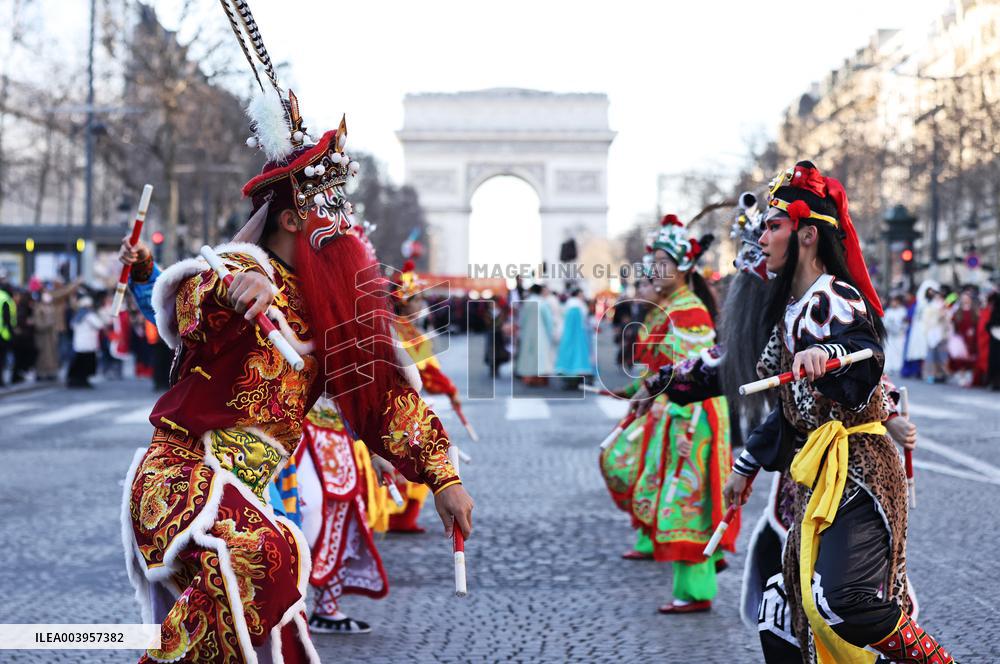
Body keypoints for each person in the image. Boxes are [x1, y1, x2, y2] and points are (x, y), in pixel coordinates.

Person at [120, 39, 473, 661]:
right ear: (289, 219)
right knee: (271, 558)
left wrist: (442, 475)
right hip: (184, 475)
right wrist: (230, 293)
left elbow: (384, 401)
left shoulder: (335, 309)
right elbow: (189, 301)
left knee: (274, 630)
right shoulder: (238, 267)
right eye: (329, 205)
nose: (347, 222)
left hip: (252, 491)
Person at [722, 161, 953, 663]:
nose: (763, 237)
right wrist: (745, 467)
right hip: (820, 473)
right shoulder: (791, 310)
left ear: (806, 236)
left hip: (860, 469)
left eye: (773, 225)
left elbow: (866, 359)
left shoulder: (837, 297)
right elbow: (787, 409)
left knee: (842, 600)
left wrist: (827, 358)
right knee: (782, 608)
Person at [620, 214, 733, 615]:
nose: (655, 268)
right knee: (680, 498)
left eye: (664, 260)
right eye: (654, 260)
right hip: (676, 414)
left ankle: (697, 590)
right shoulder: (672, 307)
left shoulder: (689, 312)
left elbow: (699, 375)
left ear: (684, 266)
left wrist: (686, 426)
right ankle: (694, 583)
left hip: (695, 418)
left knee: (690, 502)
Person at [514, 284, 556, 386]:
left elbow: (521, 319)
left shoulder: (527, 303)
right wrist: (551, 334)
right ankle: (541, 379)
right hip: (541, 334)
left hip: (528, 334)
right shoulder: (543, 303)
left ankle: (530, 378)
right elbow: (549, 321)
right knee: (542, 357)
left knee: (529, 356)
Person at [554, 288, 595, 389]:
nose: (582, 295)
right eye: (581, 293)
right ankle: (575, 380)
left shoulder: (570, 305)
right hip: (578, 336)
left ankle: (571, 380)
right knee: (578, 357)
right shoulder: (577, 306)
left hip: (570, 336)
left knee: (570, 357)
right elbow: (580, 323)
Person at [67, 295, 107, 388]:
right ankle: (83, 380)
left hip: (79, 345)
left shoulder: (77, 316)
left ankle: (76, 380)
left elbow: (72, 326)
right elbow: (100, 325)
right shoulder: (89, 315)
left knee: (78, 364)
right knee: (86, 365)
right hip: (88, 345)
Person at [948, 290, 978, 387]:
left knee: (971, 357)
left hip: (972, 338)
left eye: (967, 298)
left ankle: (969, 377)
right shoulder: (958, 311)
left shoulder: (975, 311)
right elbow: (952, 322)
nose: (965, 300)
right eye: (963, 298)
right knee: (960, 358)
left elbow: (977, 323)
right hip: (961, 338)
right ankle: (961, 376)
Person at [882, 293, 908, 375]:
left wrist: (900, 328)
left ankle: (897, 368)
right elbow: (884, 322)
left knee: (898, 351)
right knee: (889, 351)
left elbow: (905, 323)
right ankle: (888, 367)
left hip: (899, 336)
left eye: (895, 301)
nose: (893, 303)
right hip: (890, 335)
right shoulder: (888, 311)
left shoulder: (903, 311)